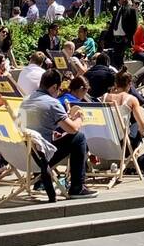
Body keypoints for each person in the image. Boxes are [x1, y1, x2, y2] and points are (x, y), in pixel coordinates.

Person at [17, 69, 96, 200]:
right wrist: (80, 117)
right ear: (54, 87)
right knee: (79, 138)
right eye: (58, 89)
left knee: (66, 138)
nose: (59, 92)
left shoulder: (25, 101)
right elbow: (73, 129)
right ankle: (77, 187)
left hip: (24, 154)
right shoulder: (52, 103)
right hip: (42, 157)